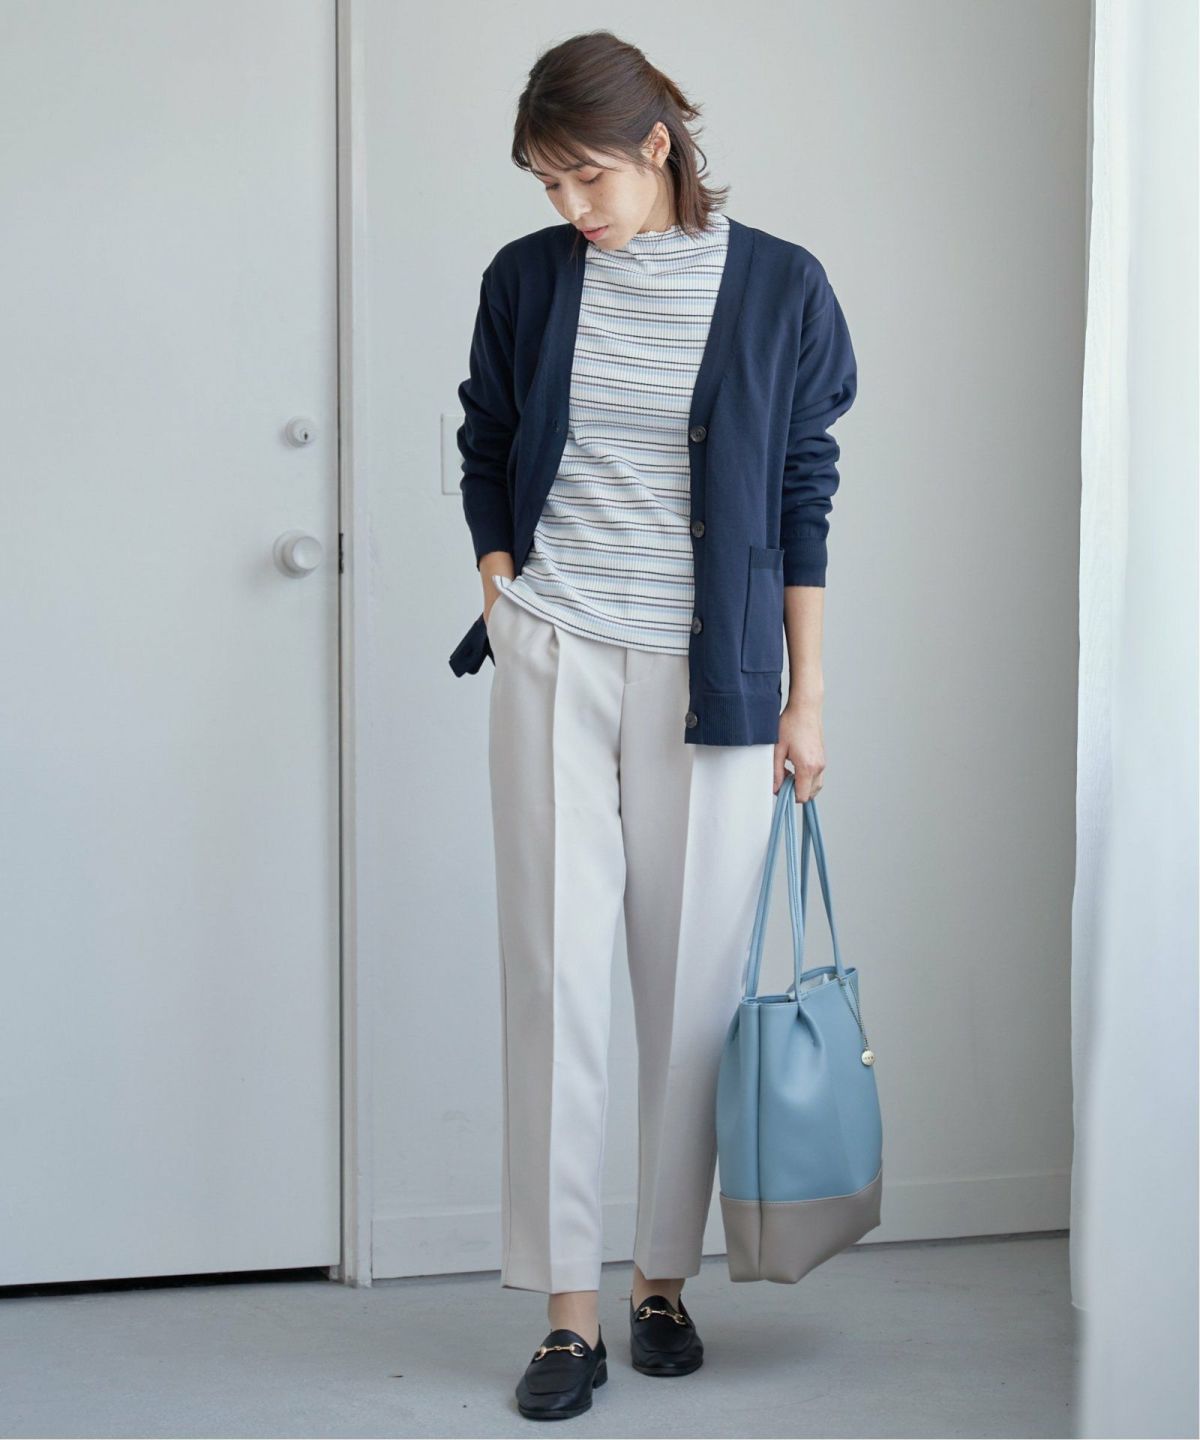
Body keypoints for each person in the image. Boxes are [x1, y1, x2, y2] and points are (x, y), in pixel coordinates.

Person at [448, 29, 858, 1421]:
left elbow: (803, 488)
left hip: (714, 677)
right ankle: (568, 1314)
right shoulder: (527, 280)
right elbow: (486, 439)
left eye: (588, 178)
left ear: (658, 146)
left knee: (689, 996)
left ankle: (661, 1282)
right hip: (558, 654)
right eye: (548, 185)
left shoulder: (781, 287)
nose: (572, 208)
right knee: (556, 980)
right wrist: (504, 595)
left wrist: (806, 695)